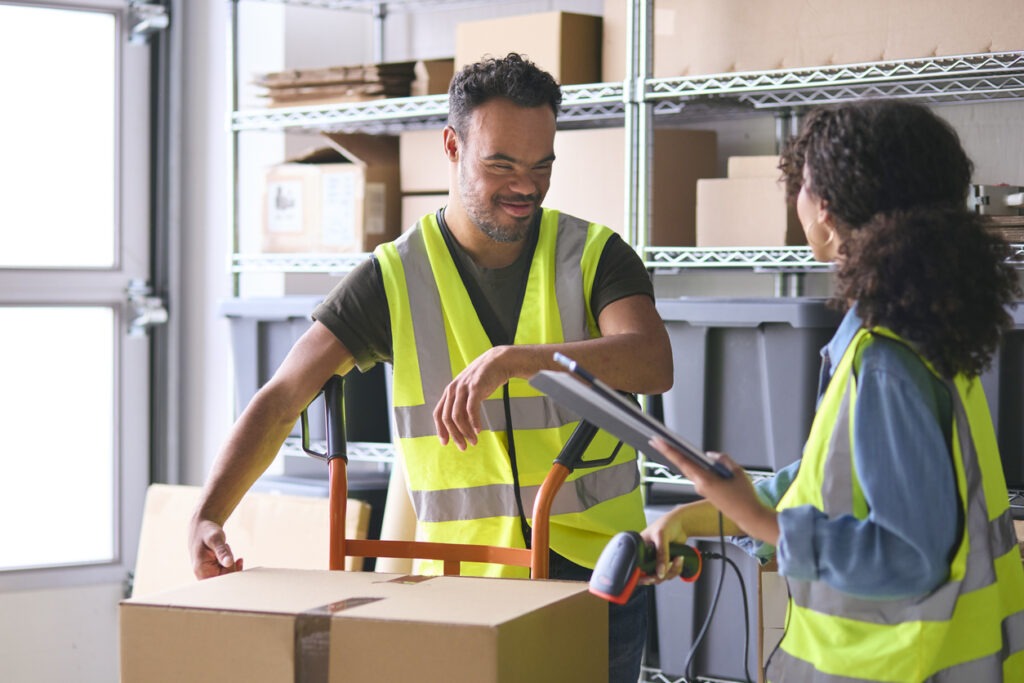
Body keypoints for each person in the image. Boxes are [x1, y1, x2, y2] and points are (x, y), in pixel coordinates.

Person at [189, 52, 672, 682]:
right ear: (452, 144)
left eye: (540, 165)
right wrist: (209, 513)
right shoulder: (393, 277)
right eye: (501, 163)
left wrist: (523, 360)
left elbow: (651, 361)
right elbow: (283, 397)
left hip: (597, 575)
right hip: (464, 583)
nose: (525, 185)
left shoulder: (595, 254)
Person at [641, 99, 1024, 682]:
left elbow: (911, 554)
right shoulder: (916, 338)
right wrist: (704, 516)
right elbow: (831, 487)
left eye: (802, 184)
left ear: (824, 208)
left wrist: (764, 524)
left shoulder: (886, 363)